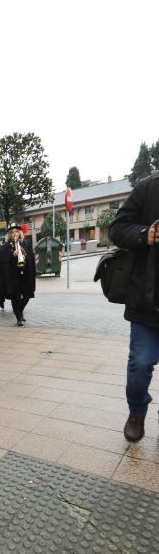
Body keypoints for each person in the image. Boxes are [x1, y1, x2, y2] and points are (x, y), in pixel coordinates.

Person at [109, 172, 159, 442]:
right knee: (140, 365)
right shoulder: (149, 187)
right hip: (147, 302)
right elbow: (117, 229)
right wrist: (146, 233)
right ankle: (137, 412)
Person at [0, 224, 35, 326]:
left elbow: (31, 259)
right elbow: (2, 262)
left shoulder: (25, 244)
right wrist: (12, 256)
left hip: (25, 275)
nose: (14, 233)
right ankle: (18, 318)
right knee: (15, 297)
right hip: (12, 276)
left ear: (19, 233)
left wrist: (25, 255)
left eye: (16, 231)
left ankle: (20, 311)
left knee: (27, 295)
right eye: (11, 232)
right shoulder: (5, 247)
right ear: (9, 235)